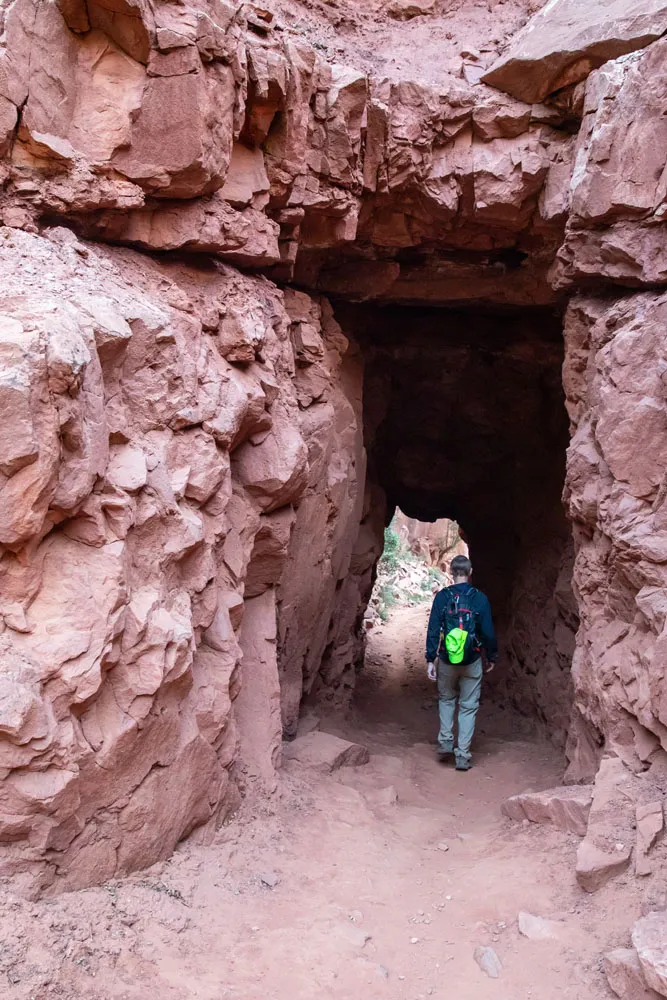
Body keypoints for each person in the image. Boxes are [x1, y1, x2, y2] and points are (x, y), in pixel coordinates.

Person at [425, 555, 497, 771]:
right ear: (470, 571)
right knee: (468, 706)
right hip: (472, 659)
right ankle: (463, 755)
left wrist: (431, 659)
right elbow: (488, 632)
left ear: (450, 572)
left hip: (447, 659)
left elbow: (433, 629)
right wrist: (491, 656)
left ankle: (446, 741)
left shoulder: (442, 598)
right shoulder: (480, 599)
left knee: (446, 699)